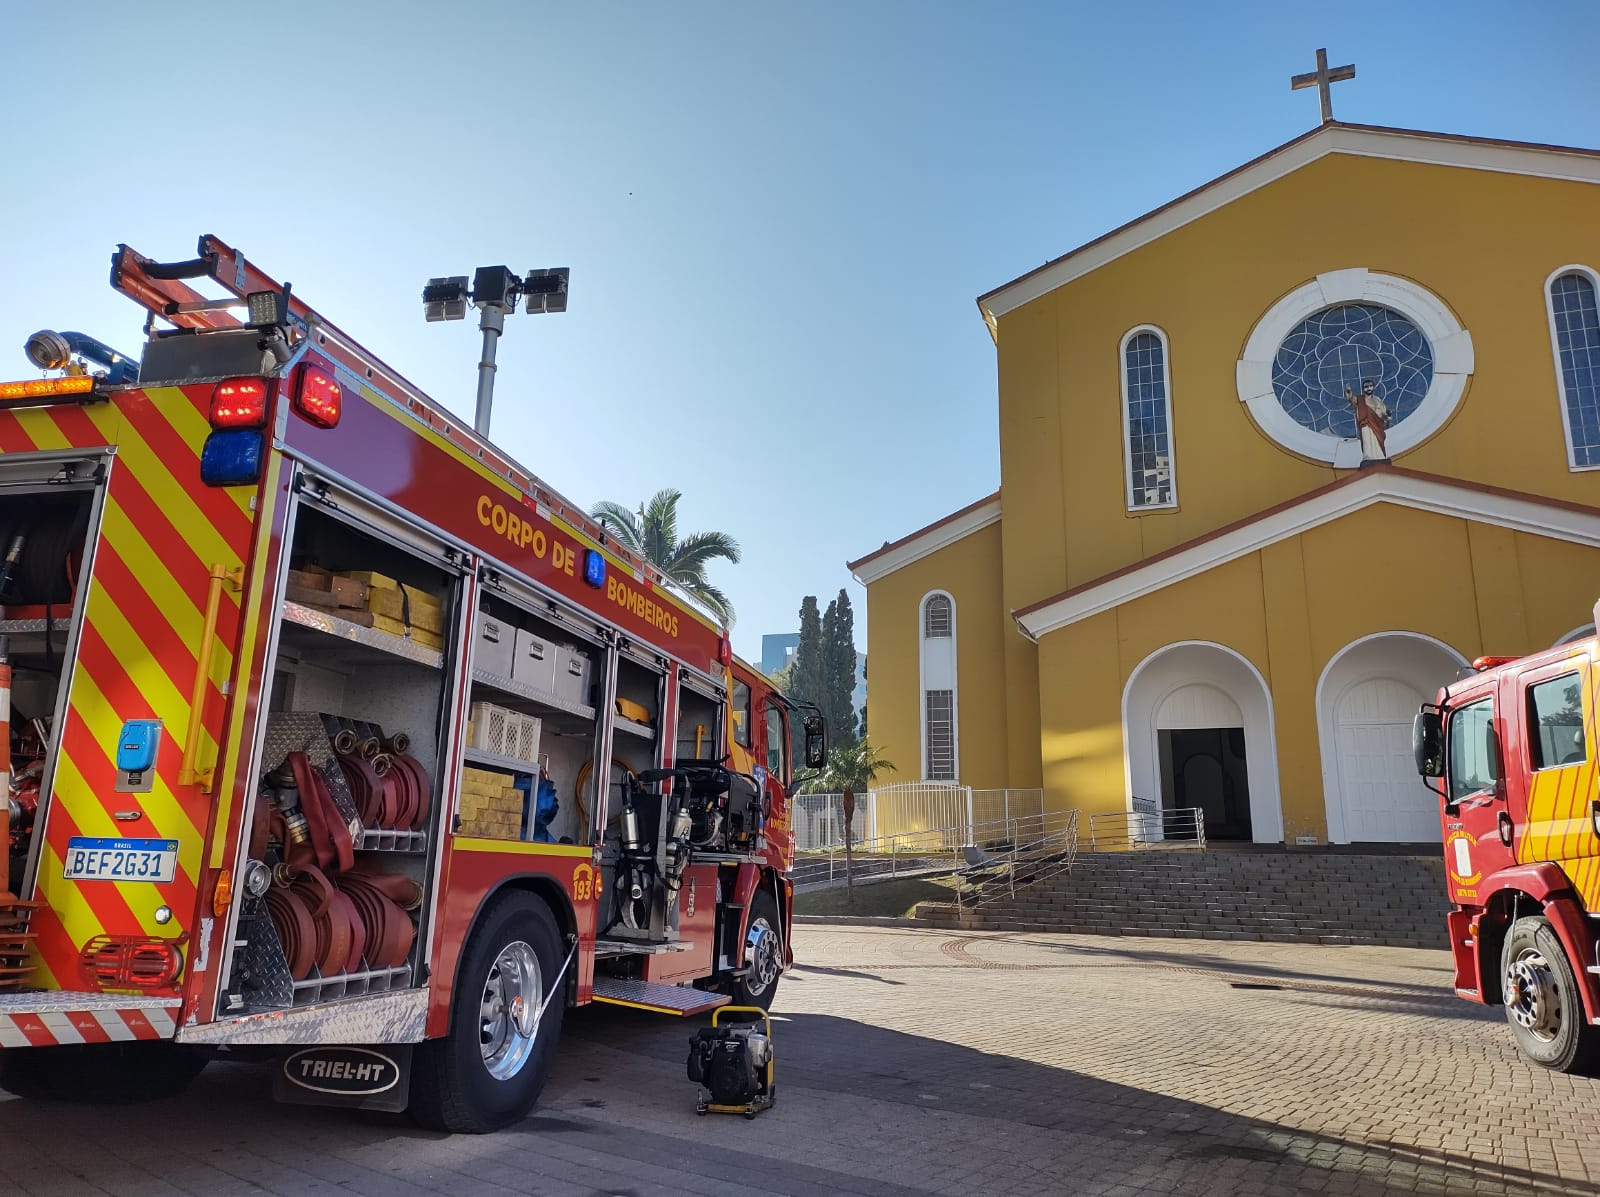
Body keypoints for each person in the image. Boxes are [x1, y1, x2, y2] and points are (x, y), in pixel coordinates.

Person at [1345, 378, 1390, 461]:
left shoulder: (1377, 400)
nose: (1368, 388)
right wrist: (1349, 392)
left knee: (1377, 440)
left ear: (1373, 387)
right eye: (1366, 387)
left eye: (1370, 386)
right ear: (1363, 389)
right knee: (1367, 439)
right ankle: (1368, 456)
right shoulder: (1360, 399)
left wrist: (1387, 417)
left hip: (1377, 424)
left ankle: (1380, 456)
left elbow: (1383, 411)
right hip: (1365, 423)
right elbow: (1351, 399)